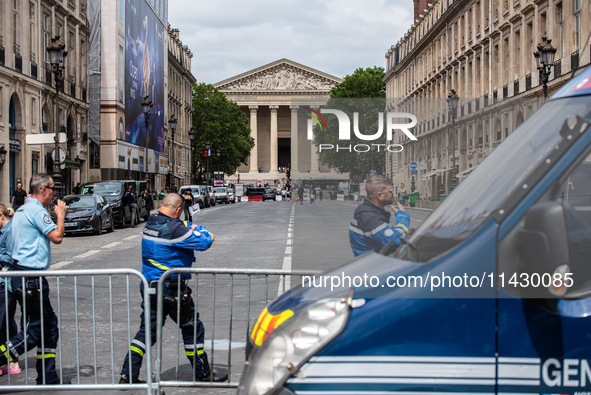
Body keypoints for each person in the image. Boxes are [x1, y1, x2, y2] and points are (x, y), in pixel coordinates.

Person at [119, 193, 227, 384]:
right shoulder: (175, 228)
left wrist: (187, 226)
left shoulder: (151, 222)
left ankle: (129, 373)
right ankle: (203, 374)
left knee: (147, 331)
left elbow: (182, 227)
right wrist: (200, 229)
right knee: (192, 328)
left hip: (150, 285)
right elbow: (205, 241)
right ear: (178, 210)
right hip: (173, 288)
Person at [0, 173, 68, 385]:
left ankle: (48, 377)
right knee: (32, 332)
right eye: (52, 188)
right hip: (30, 278)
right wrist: (60, 215)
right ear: (43, 190)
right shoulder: (36, 211)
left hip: (23, 275)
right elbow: (56, 237)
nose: (54, 192)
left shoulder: (22, 210)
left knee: (49, 327)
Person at [349, 175, 411, 257]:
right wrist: (402, 218)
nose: (393, 193)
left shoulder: (368, 211)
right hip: (372, 265)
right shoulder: (370, 217)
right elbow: (394, 240)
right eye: (390, 191)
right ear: (380, 195)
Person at [0, 204, 21, 376]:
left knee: (5, 323)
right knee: (6, 323)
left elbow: (12, 256)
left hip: (5, 282)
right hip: (2, 282)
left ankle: (10, 361)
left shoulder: (9, 231)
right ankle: (8, 361)